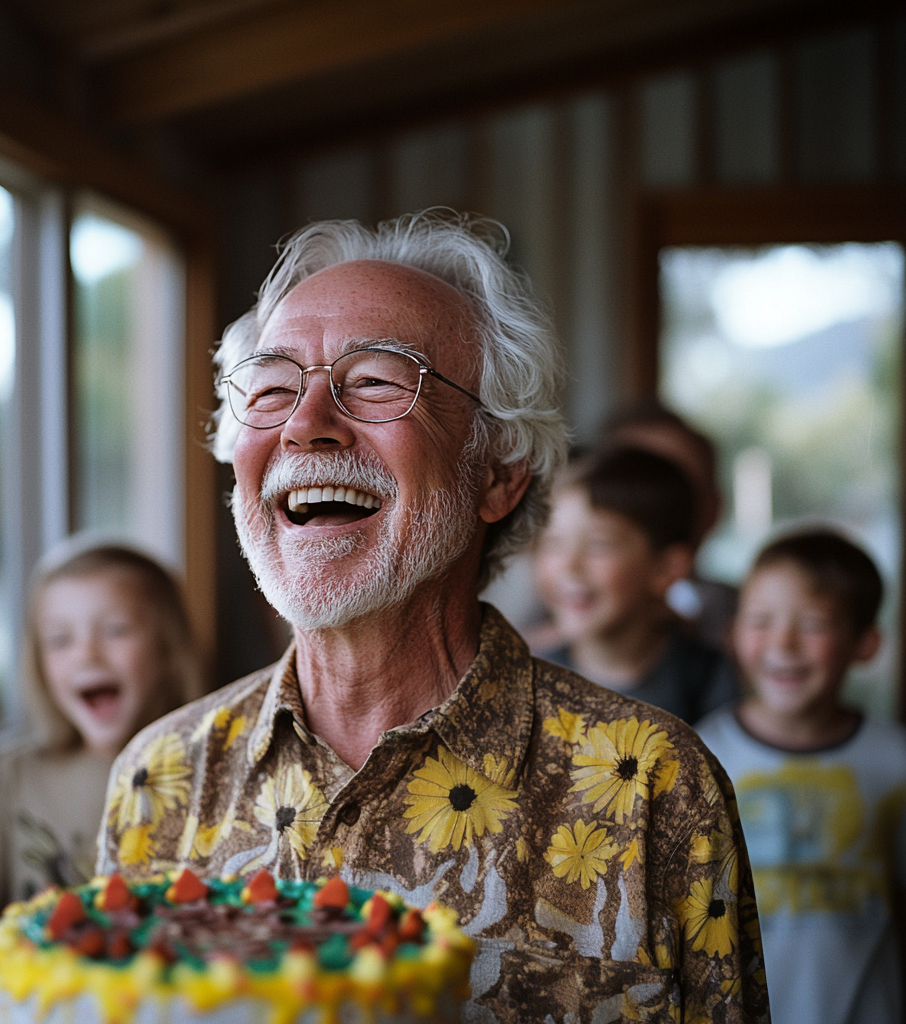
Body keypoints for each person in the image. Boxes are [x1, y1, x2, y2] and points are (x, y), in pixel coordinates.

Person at [97, 211, 769, 1022]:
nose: (306, 426)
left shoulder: (658, 788)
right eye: (272, 390)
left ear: (497, 475)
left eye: (376, 381)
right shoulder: (155, 780)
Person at [0, 539, 203, 996]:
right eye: (60, 639)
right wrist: (41, 932)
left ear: (167, 648)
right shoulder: (14, 780)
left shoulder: (213, 770)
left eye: (116, 629)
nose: (87, 654)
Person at [697, 529, 903, 1024]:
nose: (783, 643)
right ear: (733, 632)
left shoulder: (895, 762)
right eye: (761, 621)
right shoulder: (700, 757)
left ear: (866, 643)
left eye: (813, 624)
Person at [534, 446, 740, 724]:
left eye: (598, 545)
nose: (569, 566)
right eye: (553, 543)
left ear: (665, 569)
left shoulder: (708, 681)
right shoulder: (530, 681)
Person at [600, 399, 737, 650]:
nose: (657, 506)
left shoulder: (746, 620)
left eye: (682, 490)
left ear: (714, 508)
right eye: (633, 488)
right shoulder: (537, 634)